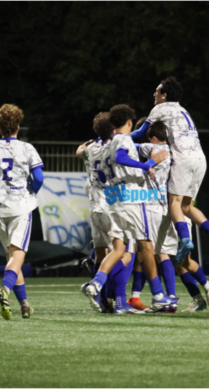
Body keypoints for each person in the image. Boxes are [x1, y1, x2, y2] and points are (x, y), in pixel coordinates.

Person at [80, 104, 171, 312]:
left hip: (108, 200)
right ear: (129, 122)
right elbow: (122, 157)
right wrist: (148, 164)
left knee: (120, 249)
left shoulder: (103, 145)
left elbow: (83, 152)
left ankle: (97, 285)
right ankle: (157, 295)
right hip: (127, 198)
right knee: (145, 246)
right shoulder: (121, 139)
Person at [129, 77, 209, 265]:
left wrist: (118, 139)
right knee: (186, 207)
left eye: (157, 91)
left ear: (164, 95)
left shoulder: (160, 108)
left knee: (174, 203)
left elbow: (141, 133)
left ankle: (185, 241)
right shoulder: (183, 110)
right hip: (200, 159)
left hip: (182, 159)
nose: (154, 94)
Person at [128, 121, 209, 312]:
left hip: (163, 209)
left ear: (153, 137)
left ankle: (167, 300)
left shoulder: (153, 147)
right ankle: (203, 288)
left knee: (159, 254)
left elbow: (125, 143)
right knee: (180, 260)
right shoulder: (179, 152)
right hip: (180, 211)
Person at [0, 104, 44, 320]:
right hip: (21, 207)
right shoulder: (27, 148)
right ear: (18, 124)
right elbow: (40, 178)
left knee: (10, 257)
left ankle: (24, 304)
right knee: (18, 256)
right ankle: (4, 291)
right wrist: (32, 190)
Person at [76, 113, 138, 314]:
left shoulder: (91, 149)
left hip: (94, 208)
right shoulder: (115, 147)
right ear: (114, 129)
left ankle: (103, 302)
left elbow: (79, 152)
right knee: (122, 251)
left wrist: (88, 142)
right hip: (111, 205)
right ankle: (96, 284)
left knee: (101, 254)